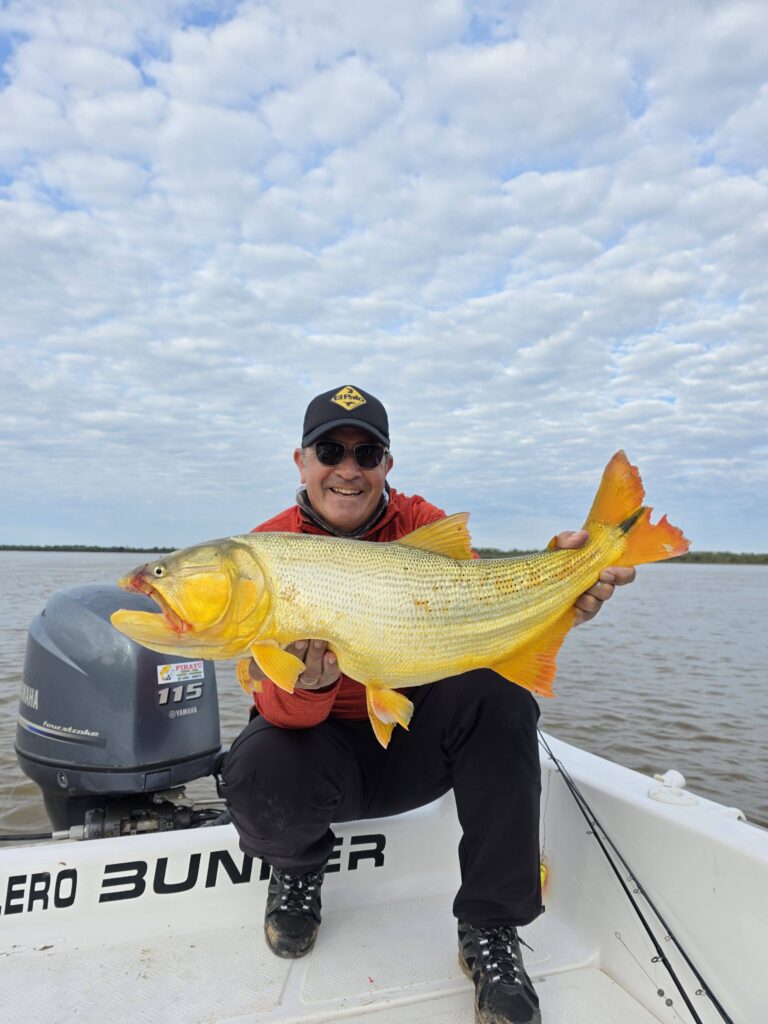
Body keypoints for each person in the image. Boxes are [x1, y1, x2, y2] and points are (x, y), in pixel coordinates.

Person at [219, 385, 635, 1024]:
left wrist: (555, 584)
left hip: (416, 743)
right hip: (324, 750)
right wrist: (313, 685)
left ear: (388, 463)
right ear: (301, 461)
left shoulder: (422, 524)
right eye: (330, 451)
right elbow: (275, 709)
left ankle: (491, 927)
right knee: (256, 764)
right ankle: (297, 869)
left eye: (367, 453)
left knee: (500, 696)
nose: (348, 469)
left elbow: (481, 617)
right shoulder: (264, 552)